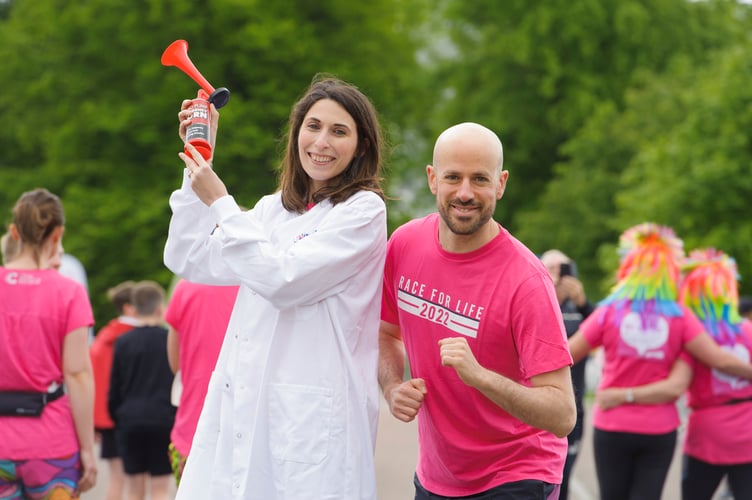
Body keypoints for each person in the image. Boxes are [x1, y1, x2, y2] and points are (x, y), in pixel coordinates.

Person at [163, 76, 387, 499]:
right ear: (296, 132)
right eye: (313, 126)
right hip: (248, 410)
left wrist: (222, 203)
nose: (321, 142)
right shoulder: (273, 210)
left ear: (361, 146)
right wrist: (197, 159)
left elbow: (283, 281)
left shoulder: (362, 212)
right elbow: (187, 257)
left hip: (313, 423)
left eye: (339, 131)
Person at [378, 122, 576, 499]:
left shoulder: (526, 280)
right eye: (453, 177)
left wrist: (480, 377)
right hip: (438, 476)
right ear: (433, 179)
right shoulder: (404, 245)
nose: (465, 193)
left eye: (479, 179)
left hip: (515, 474)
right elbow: (386, 332)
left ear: (500, 184)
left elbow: (563, 414)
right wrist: (391, 387)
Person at [568, 224, 752, 500]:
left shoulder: (610, 311)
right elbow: (718, 360)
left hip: (613, 423)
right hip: (659, 427)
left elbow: (567, 353)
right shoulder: (680, 317)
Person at [0, 188, 97, 498]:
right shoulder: (69, 293)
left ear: (14, 232)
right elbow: (78, 375)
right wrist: (88, 450)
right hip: (51, 444)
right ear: (58, 235)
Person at [164, 278, 239, 485]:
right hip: (242, 433)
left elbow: (175, 363)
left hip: (191, 431)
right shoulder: (259, 284)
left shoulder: (185, 286)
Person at [108, 280, 175, 500]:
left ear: (134, 308)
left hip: (130, 420)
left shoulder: (123, 342)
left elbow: (115, 387)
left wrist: (117, 416)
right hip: (163, 419)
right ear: (160, 308)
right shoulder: (168, 340)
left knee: (134, 489)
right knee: (160, 489)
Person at [540, 250, 594, 500]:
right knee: (538, 480)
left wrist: (582, 303)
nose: (556, 274)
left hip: (574, 405)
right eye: (550, 267)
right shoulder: (533, 302)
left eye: (562, 268)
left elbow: (603, 332)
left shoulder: (579, 307)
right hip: (539, 405)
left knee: (564, 478)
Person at [89, 280, 140, 500]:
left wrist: (96, 421)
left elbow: (95, 381)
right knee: (138, 482)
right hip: (133, 416)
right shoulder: (136, 338)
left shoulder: (103, 338)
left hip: (108, 419)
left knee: (116, 478)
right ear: (129, 307)